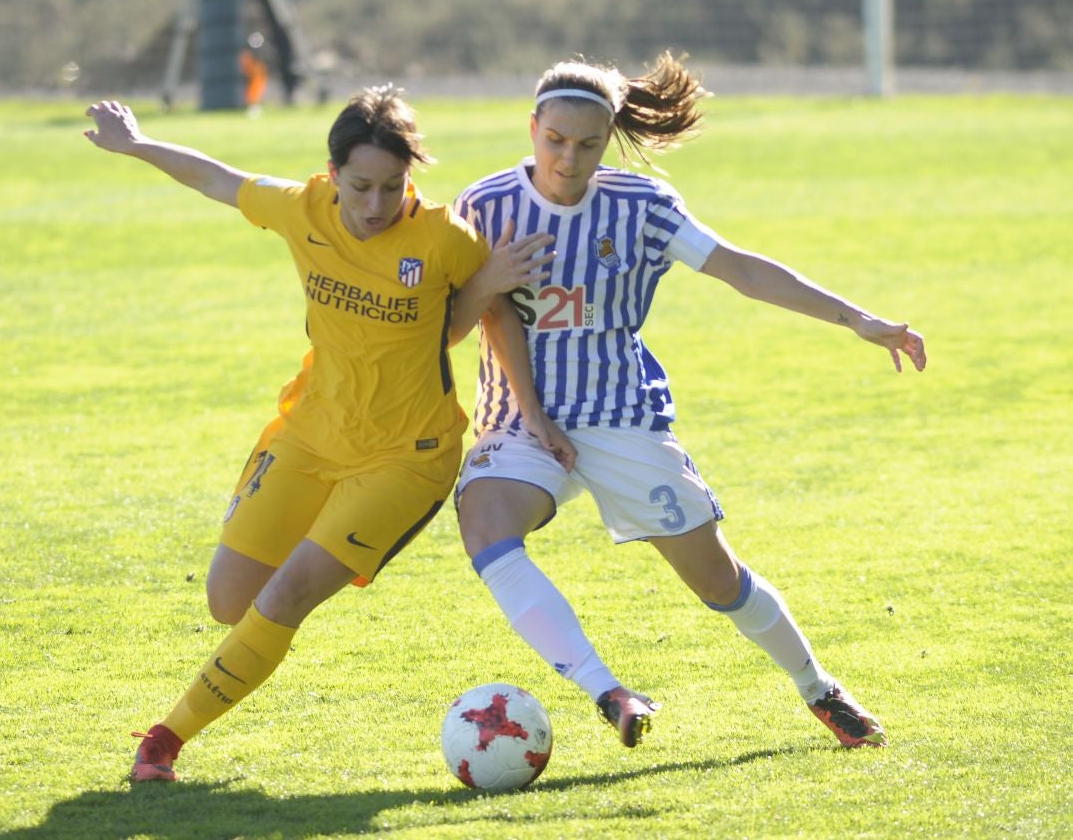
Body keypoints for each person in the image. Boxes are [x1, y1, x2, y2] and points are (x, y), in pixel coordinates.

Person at [83, 87, 566, 781]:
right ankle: (262, 632)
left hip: (408, 456)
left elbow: (480, 323)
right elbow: (217, 178)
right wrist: (137, 145)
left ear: (411, 177)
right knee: (229, 601)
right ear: (332, 173)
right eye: (361, 186)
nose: (376, 205)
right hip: (310, 432)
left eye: (392, 187)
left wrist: (530, 404)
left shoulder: (443, 238)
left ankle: (164, 740)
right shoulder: (301, 209)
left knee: (285, 597)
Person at [453, 52, 927, 751]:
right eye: (554, 140)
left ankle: (818, 687)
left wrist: (854, 317)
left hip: (620, 417)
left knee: (718, 582)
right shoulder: (485, 205)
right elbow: (462, 323)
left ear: (610, 135)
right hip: (520, 422)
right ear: (531, 128)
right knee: (485, 524)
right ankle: (605, 688)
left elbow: (739, 268)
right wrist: (488, 280)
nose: (568, 158)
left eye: (587, 144)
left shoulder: (641, 208)